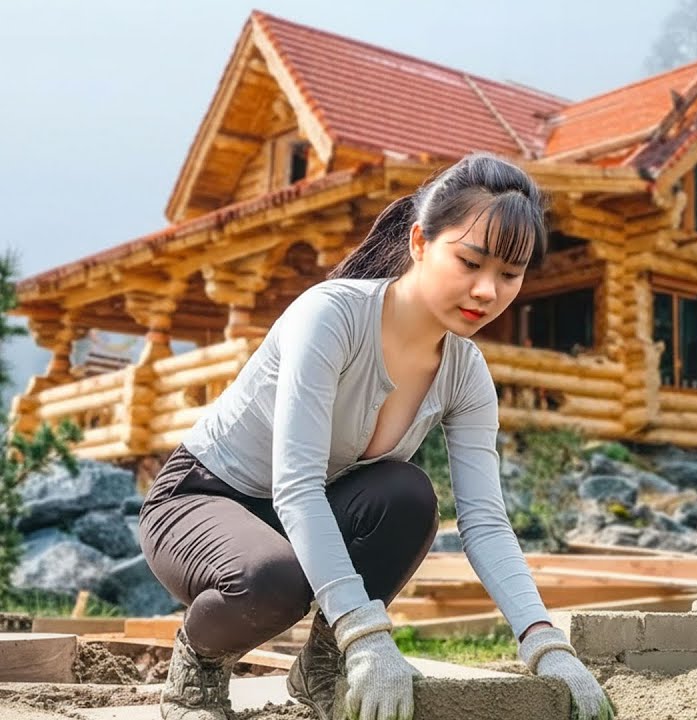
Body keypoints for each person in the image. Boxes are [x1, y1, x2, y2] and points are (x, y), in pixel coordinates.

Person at [139, 152, 615, 720]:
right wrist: (367, 634)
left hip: (305, 512)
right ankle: (197, 669)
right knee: (275, 578)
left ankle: (320, 667)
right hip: (205, 497)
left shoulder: (466, 372)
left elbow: (485, 523)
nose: (487, 291)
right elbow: (297, 487)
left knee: (409, 496)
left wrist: (545, 644)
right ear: (419, 242)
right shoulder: (331, 317)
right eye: (469, 261)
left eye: (510, 275)